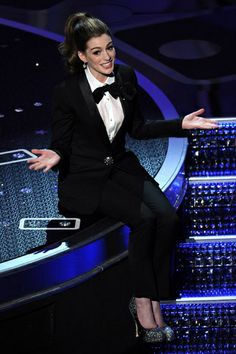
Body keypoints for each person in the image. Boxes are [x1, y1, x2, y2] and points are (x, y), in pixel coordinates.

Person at [27, 12, 218, 343]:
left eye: (110, 48)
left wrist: (179, 125)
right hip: (87, 177)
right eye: (97, 52)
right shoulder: (67, 92)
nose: (107, 57)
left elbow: (138, 129)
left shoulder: (126, 76)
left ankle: (153, 292)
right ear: (82, 56)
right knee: (144, 220)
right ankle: (143, 303)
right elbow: (61, 140)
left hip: (121, 165)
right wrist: (57, 154)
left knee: (168, 218)